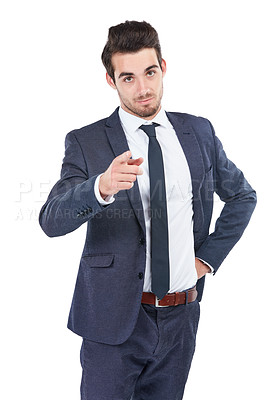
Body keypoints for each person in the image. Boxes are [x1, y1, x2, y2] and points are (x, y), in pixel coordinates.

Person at [39, 20, 256, 400]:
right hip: (113, 320)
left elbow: (242, 196)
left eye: (150, 72)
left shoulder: (198, 132)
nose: (143, 88)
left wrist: (206, 258)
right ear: (111, 81)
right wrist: (99, 188)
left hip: (181, 318)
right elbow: (51, 219)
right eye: (128, 78)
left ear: (163, 68)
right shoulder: (87, 142)